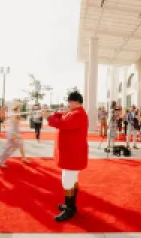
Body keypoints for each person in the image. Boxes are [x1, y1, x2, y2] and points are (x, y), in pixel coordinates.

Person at [48, 91, 88, 222]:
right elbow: (62, 115)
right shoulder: (74, 112)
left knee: (68, 182)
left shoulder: (78, 115)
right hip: (70, 153)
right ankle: (71, 205)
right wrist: (54, 113)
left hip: (72, 154)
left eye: (70, 101)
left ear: (76, 102)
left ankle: (69, 208)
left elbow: (63, 124)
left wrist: (50, 118)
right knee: (71, 180)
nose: (68, 104)